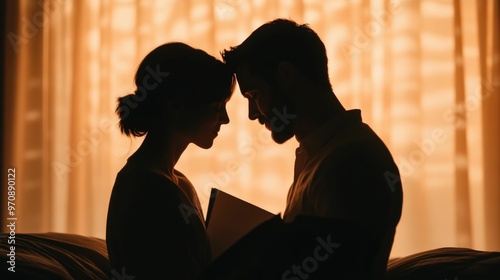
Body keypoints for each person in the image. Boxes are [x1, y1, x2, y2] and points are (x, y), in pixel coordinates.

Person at [216, 18, 404, 279]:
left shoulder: (351, 163)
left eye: (254, 96)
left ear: (286, 75)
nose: (252, 114)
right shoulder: (318, 155)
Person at [106, 42, 235, 279]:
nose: (225, 119)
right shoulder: (147, 188)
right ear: (176, 107)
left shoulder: (176, 181)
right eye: (217, 107)